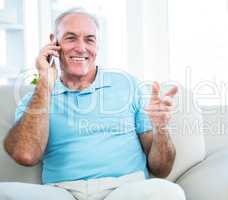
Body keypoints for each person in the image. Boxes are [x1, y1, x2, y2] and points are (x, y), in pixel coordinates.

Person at [1, 8, 185, 200]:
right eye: (71, 38)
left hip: (124, 189)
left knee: (169, 192)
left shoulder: (128, 85)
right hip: (63, 192)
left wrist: (161, 128)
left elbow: (161, 169)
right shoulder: (36, 98)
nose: (81, 48)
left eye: (89, 39)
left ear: (97, 45)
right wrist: (45, 83)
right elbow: (26, 156)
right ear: (53, 42)